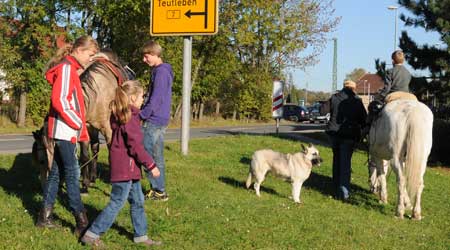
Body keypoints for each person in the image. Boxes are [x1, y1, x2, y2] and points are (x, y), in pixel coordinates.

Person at [81, 80, 162, 247]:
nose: (143, 100)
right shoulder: (130, 119)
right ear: (132, 98)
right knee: (117, 202)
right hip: (125, 169)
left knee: (138, 200)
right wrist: (151, 165)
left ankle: (141, 235)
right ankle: (92, 234)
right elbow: (136, 148)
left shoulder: (123, 115)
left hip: (130, 170)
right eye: (142, 96)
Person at [36, 35, 99, 237]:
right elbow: (60, 100)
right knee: (73, 174)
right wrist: (77, 122)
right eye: (90, 55)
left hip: (66, 129)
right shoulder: (65, 69)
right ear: (79, 50)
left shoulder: (70, 69)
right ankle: (81, 220)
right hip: (64, 130)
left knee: (56, 173)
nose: (91, 59)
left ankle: (44, 218)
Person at [140, 40, 174, 201]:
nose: (144, 60)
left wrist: (142, 114)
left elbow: (156, 99)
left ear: (154, 54)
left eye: (146, 57)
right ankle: (159, 190)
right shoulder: (162, 71)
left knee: (147, 155)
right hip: (160, 119)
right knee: (157, 155)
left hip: (154, 120)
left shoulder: (160, 73)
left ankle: (157, 189)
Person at [326, 80, 367, 201]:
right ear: (353, 89)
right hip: (349, 134)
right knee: (345, 164)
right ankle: (344, 193)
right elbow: (363, 120)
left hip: (333, 133)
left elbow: (324, 111)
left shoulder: (334, 97)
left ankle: (335, 188)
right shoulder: (357, 101)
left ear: (343, 87)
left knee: (336, 160)